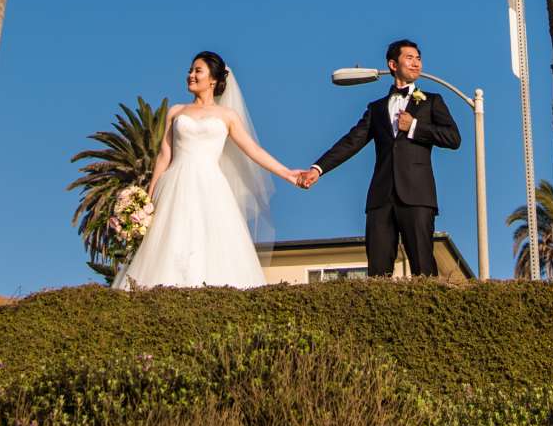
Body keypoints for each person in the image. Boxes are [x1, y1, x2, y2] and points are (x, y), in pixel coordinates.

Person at [114, 50, 303, 291]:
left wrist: (288, 173)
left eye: (197, 71)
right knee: (171, 244)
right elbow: (164, 156)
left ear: (213, 79)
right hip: (176, 185)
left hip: (211, 187)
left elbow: (253, 150)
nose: (191, 75)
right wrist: (148, 200)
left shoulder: (227, 116)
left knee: (213, 247)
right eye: (190, 71)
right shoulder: (176, 112)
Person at [299, 38, 460, 278]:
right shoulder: (376, 108)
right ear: (393, 65)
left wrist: (414, 126)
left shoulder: (432, 101)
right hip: (380, 198)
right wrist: (317, 168)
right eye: (409, 58)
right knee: (377, 270)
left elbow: (453, 138)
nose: (416, 63)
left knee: (423, 268)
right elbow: (351, 141)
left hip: (417, 195)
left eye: (418, 58)